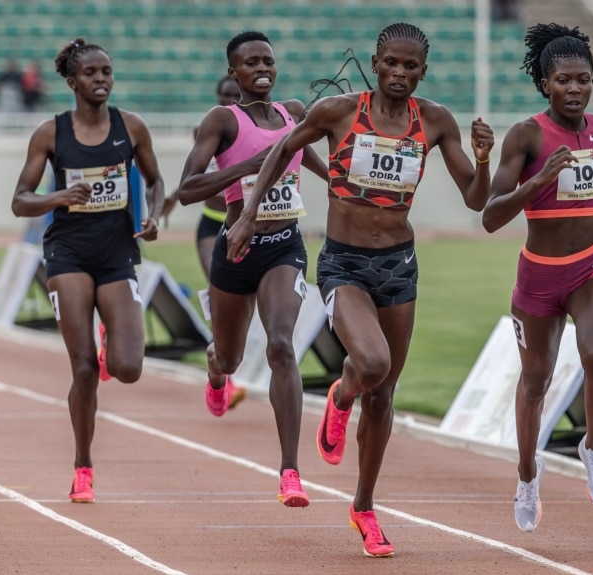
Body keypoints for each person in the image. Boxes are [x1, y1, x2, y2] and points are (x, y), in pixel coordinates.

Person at [242, 22, 493, 557]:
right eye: (392, 64)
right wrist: (246, 215)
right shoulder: (337, 112)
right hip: (345, 264)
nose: (400, 74)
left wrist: (485, 158)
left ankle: (364, 507)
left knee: (384, 395)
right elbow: (282, 150)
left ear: (423, 71)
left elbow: (475, 200)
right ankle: (341, 393)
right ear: (376, 63)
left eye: (411, 67)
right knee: (372, 364)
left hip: (399, 265)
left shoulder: (436, 121)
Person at [480, 23, 593, 533]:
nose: (575, 90)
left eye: (583, 80)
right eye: (564, 81)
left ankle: (592, 446)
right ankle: (528, 474)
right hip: (539, 277)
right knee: (535, 382)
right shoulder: (526, 136)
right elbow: (490, 216)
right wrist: (542, 178)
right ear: (545, 83)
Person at [176, 31, 328, 509]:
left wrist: (338, 179)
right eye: (250, 62)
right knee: (230, 357)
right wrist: (248, 168)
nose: (261, 68)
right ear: (233, 72)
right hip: (236, 247)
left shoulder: (294, 113)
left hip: (285, 246)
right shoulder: (222, 120)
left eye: (268, 60)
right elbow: (188, 189)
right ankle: (216, 372)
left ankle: (289, 472)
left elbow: (307, 154)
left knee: (282, 346)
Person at [10, 38, 166, 502]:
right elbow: (20, 200)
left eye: (107, 72)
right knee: (82, 371)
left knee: (128, 368)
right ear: (72, 81)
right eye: (92, 73)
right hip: (69, 254)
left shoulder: (131, 127)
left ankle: (109, 343)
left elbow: (156, 181)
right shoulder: (51, 134)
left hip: (117, 253)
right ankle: (83, 465)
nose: (101, 79)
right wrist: (59, 197)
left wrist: (155, 216)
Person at [162, 75, 245, 408]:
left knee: (246, 305)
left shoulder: (259, 128)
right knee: (218, 290)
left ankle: (229, 359)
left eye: (235, 96)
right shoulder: (206, 130)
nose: (228, 101)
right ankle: (225, 375)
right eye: (224, 95)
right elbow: (194, 177)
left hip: (251, 226)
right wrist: (169, 199)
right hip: (213, 225)